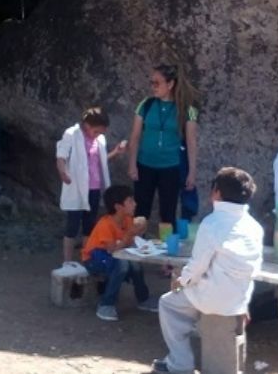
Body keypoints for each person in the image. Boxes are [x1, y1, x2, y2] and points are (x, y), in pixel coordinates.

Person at [152, 167, 264, 374]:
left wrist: (180, 282)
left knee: (168, 304)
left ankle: (180, 364)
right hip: (237, 299)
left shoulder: (212, 223)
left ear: (217, 193)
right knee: (190, 299)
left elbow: (197, 267)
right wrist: (244, 303)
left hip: (210, 296)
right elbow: (253, 270)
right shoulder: (255, 227)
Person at [127, 64, 199, 232]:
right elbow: (135, 136)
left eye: (157, 83)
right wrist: (132, 164)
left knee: (168, 213)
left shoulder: (187, 109)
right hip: (144, 164)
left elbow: (191, 142)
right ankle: (137, 248)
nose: (153, 87)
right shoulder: (146, 105)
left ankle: (166, 251)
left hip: (170, 167)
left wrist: (192, 172)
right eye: (151, 82)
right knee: (140, 211)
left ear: (170, 84)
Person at [56, 107, 125, 264]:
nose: (98, 135)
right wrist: (62, 173)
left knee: (89, 225)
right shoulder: (71, 135)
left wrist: (115, 152)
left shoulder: (99, 139)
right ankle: (67, 261)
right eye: (96, 131)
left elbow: (100, 161)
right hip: (76, 187)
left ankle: (85, 259)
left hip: (93, 188)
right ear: (87, 125)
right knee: (72, 225)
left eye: (100, 132)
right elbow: (61, 155)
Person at [81, 185, 156, 321]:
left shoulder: (127, 220)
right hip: (94, 259)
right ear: (118, 207)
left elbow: (129, 242)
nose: (135, 204)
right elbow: (112, 249)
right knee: (122, 264)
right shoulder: (105, 224)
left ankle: (143, 299)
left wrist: (140, 230)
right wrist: (130, 234)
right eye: (130, 201)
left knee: (135, 263)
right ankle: (106, 304)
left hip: (113, 256)